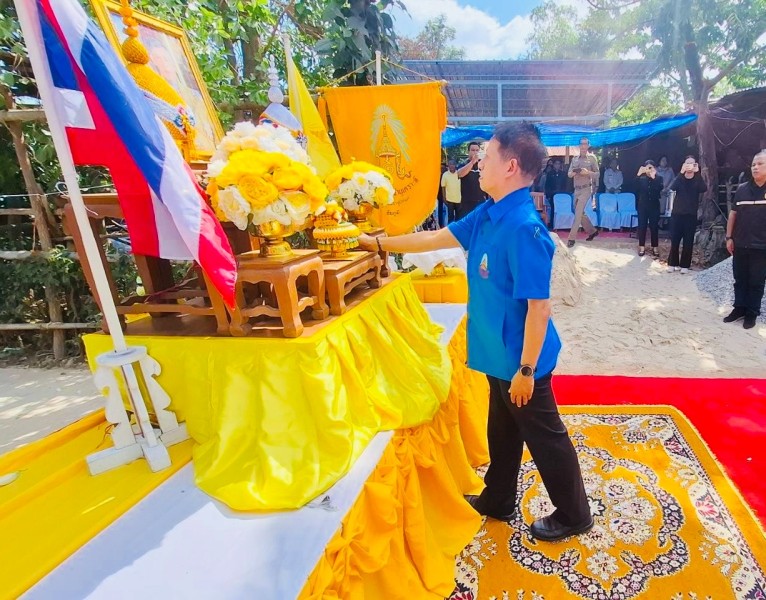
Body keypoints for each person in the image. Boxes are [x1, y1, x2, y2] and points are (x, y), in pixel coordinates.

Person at [358, 122, 593, 542]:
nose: (479, 164)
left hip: (522, 358)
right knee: (502, 428)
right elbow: (437, 238)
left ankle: (575, 513)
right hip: (496, 352)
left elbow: (539, 308)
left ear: (511, 166)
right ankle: (498, 497)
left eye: (486, 157)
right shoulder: (490, 212)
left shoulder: (524, 228)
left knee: (545, 436)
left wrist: (526, 371)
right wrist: (378, 244)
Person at [723, 151, 766, 330]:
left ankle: (751, 312)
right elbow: (733, 215)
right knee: (740, 278)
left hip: (761, 246)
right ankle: (739, 308)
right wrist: (729, 237)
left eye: (760, 164)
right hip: (740, 243)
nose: (755, 167)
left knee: (756, 281)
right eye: (754, 164)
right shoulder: (742, 189)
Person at [667, 156, 706, 273]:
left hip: (690, 214)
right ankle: (672, 263)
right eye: (687, 163)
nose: (689, 166)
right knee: (675, 239)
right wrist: (681, 172)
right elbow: (672, 187)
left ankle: (685, 265)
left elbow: (703, 188)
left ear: (695, 165)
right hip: (677, 214)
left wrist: (697, 173)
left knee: (688, 241)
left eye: (692, 163)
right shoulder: (680, 178)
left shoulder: (697, 179)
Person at [566, 137, 600, 247]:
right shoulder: (575, 159)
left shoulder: (592, 158)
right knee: (579, 213)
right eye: (581, 144)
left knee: (578, 213)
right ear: (579, 146)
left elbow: (597, 174)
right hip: (576, 189)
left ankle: (571, 238)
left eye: (585, 144)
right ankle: (592, 231)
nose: (583, 146)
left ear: (588, 145)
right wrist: (573, 173)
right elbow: (569, 174)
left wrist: (587, 173)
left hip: (586, 189)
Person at [635, 160, 664, 257]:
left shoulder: (659, 178)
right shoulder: (641, 179)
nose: (649, 169)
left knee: (654, 226)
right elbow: (635, 187)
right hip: (642, 206)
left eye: (651, 167)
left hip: (654, 206)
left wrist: (653, 177)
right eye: (648, 167)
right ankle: (641, 247)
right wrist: (639, 174)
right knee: (642, 226)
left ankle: (655, 247)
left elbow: (659, 188)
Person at [457, 141, 486, 218]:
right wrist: (472, 162)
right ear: (468, 152)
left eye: (477, 150)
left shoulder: (483, 165)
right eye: (473, 150)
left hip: (481, 201)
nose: (475, 152)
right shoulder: (464, 164)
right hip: (466, 203)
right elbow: (460, 174)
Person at [544, 158, 567, 231]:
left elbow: (565, 185)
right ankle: (552, 225)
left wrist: (564, 193)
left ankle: (563, 225)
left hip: (561, 194)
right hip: (552, 194)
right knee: (553, 209)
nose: (557, 165)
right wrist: (548, 194)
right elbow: (547, 185)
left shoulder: (563, 174)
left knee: (562, 209)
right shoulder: (550, 174)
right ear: (553, 165)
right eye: (556, 164)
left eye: (559, 164)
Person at [441, 159, 462, 224]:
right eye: (450, 164)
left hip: (458, 199)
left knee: (459, 217)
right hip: (449, 199)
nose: (452, 166)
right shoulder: (445, 175)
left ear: (455, 165)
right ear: (448, 165)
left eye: (453, 164)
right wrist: (444, 198)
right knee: (450, 217)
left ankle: (458, 229)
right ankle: (450, 229)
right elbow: (443, 187)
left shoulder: (459, 173)